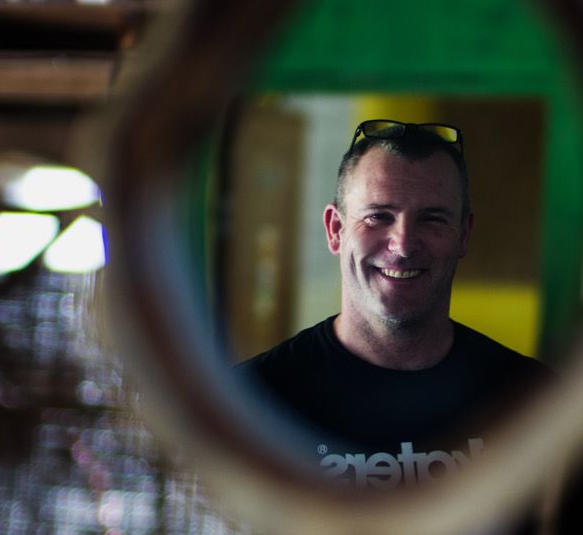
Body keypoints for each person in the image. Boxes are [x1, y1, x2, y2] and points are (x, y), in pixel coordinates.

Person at [236, 119, 552, 490]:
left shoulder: (535, 401)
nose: (402, 245)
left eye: (432, 219)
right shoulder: (249, 403)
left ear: (464, 234)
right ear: (335, 230)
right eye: (378, 216)